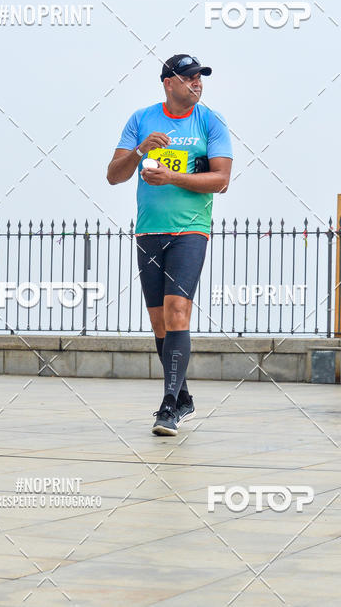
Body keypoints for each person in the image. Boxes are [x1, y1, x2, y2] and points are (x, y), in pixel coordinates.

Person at [107, 55, 233, 435]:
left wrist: (174, 177)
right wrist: (140, 150)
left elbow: (222, 180)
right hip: (149, 231)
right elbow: (114, 175)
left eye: (200, 78)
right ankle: (184, 397)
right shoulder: (141, 119)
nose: (197, 83)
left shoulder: (211, 121)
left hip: (191, 230)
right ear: (168, 82)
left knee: (179, 309)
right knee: (160, 322)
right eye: (190, 77)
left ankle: (168, 407)